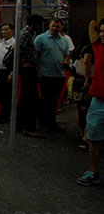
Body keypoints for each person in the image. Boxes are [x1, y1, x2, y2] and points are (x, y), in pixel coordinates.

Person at [77, 19, 104, 186]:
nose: (102, 34)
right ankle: (93, 171)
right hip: (99, 101)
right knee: (94, 138)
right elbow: (91, 23)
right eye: (101, 31)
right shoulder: (98, 48)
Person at [34, 18, 71, 133]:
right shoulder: (40, 39)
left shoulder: (64, 41)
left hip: (59, 75)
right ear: (49, 26)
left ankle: (52, 123)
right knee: (45, 100)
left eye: (57, 27)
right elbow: (35, 56)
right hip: (45, 74)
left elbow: (67, 55)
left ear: (62, 28)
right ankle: (43, 124)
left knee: (54, 101)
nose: (55, 28)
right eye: (53, 26)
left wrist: (65, 61)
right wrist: (38, 72)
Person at [17, 14, 44, 137]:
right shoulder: (27, 33)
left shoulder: (29, 32)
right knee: (30, 98)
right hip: (27, 69)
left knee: (26, 97)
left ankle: (21, 124)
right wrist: (22, 63)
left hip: (29, 68)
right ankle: (27, 125)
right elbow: (17, 48)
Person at [0, 23, 16, 124]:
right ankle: (6, 111)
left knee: (6, 94)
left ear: (12, 31)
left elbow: (15, 60)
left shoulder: (14, 43)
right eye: (2, 30)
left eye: (6, 30)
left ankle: (4, 116)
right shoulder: (0, 42)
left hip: (7, 71)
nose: (4, 32)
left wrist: (12, 73)